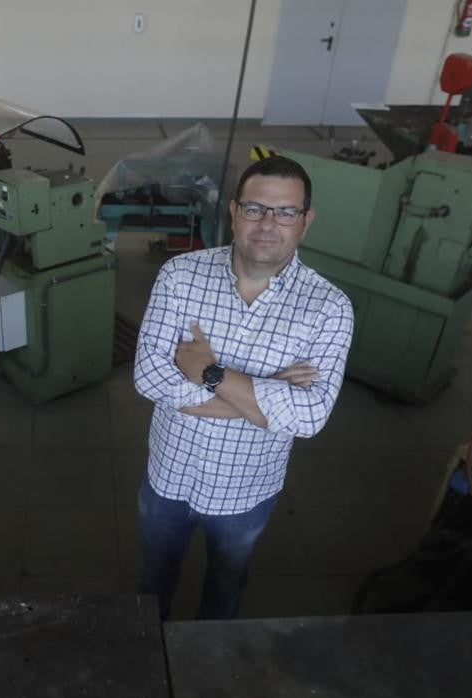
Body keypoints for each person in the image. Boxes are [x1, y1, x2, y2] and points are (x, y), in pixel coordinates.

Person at [132, 154, 354, 620]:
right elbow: (149, 376)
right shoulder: (180, 276)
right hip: (168, 476)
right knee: (152, 583)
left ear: (305, 220)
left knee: (227, 585)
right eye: (255, 208)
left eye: (286, 212)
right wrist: (267, 394)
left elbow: (310, 418)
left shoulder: (329, 309)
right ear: (234, 211)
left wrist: (210, 373)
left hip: (246, 490)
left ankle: (212, 662)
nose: (268, 224)